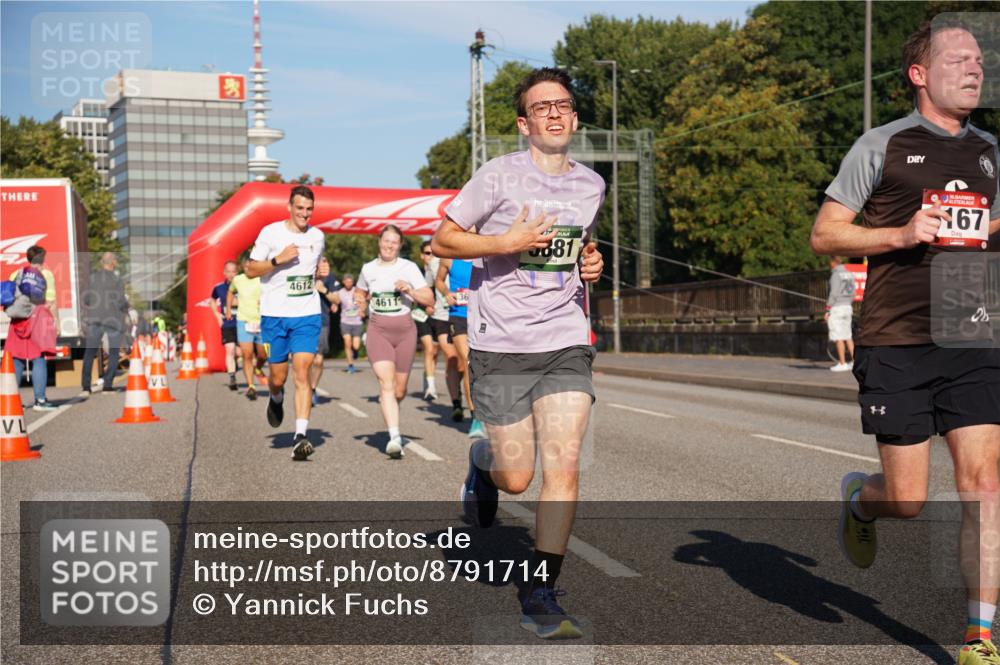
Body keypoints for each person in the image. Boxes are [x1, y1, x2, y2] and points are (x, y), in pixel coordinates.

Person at [810, 21, 1000, 665]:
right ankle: (862, 501)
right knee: (909, 500)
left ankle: (980, 636)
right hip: (897, 336)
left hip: (970, 325)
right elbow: (826, 235)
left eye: (979, 59)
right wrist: (900, 233)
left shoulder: (992, 151)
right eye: (958, 60)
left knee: (984, 484)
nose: (975, 69)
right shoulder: (882, 145)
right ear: (920, 74)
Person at [432, 66, 606, 639]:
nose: (553, 113)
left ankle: (541, 587)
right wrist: (503, 243)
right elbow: (443, 239)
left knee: (563, 464)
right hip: (500, 342)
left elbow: (577, 246)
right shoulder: (497, 176)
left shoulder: (591, 185)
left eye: (562, 105)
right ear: (524, 124)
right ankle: (481, 468)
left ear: (574, 118)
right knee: (516, 476)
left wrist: (590, 262)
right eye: (541, 107)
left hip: (563, 340)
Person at [245, 185, 326, 461]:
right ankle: (276, 396)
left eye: (309, 209)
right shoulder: (271, 233)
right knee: (278, 377)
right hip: (274, 316)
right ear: (290, 207)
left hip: (307, 314)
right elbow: (250, 269)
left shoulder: (318, 236)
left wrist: (322, 273)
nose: (305, 214)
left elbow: (315, 270)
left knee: (302, 371)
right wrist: (279, 259)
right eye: (300, 208)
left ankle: (300, 436)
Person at [355, 224, 435, 459]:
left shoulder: (408, 267)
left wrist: (409, 289)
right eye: (385, 240)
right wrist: (360, 301)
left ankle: (391, 406)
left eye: (394, 242)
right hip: (378, 330)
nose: (389, 245)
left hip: (405, 332)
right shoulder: (368, 269)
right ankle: (394, 437)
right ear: (379, 241)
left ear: (400, 245)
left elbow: (429, 298)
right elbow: (360, 291)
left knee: (399, 390)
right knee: (386, 385)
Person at [6, 245, 58, 410]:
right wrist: (55, 321)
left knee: (16, 359)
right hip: (36, 320)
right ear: (42, 259)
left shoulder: (16, 274)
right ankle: (40, 400)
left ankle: (10, 400)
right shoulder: (46, 275)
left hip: (17, 321)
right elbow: (50, 302)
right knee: (39, 358)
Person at [435, 257, 482, 435]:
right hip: (459, 315)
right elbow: (438, 280)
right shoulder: (449, 258)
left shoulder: (484, 253)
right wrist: (447, 293)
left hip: (483, 315)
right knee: (469, 362)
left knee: (483, 363)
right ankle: (475, 417)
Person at [80, 252, 129, 394]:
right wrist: (127, 307)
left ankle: (86, 386)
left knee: (90, 352)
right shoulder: (118, 280)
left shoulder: (92, 278)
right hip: (113, 320)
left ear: (102, 262)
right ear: (113, 263)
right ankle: (108, 385)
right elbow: (121, 301)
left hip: (95, 319)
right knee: (114, 353)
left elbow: (87, 299)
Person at [414, 240, 451, 401]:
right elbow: (421, 292)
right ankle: (431, 386)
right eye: (428, 253)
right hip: (422, 314)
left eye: (434, 253)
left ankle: (428, 377)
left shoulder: (440, 266)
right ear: (422, 255)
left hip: (440, 314)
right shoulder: (415, 272)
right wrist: (425, 304)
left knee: (436, 351)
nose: (431, 256)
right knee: (430, 349)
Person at [227, 257, 267, 401]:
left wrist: (265, 300)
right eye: (246, 266)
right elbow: (230, 292)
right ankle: (251, 386)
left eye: (252, 266)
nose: (249, 268)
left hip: (262, 322)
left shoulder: (263, 278)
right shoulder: (238, 280)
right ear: (243, 267)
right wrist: (228, 310)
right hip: (243, 320)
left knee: (264, 354)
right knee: (247, 354)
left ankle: (258, 368)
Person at [311, 256, 340, 406]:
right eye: (321, 263)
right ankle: (303, 388)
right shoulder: (304, 275)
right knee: (304, 360)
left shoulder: (329, 279)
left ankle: (312, 388)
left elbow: (336, 299)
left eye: (326, 263)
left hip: (322, 322)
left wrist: (323, 289)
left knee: (318, 359)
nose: (324, 266)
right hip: (302, 322)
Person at [211, 260, 240, 391]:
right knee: (230, 349)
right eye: (228, 271)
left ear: (237, 272)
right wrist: (217, 315)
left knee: (242, 352)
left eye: (233, 271)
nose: (230, 274)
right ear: (224, 272)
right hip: (227, 324)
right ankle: (232, 377)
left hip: (242, 322)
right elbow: (212, 300)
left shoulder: (243, 285)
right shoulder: (218, 288)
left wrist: (235, 302)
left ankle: (236, 362)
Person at [825, 256, 856, 372]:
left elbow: (833, 293)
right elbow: (853, 292)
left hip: (837, 307)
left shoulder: (835, 275)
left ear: (833, 263)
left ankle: (842, 363)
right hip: (848, 306)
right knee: (848, 336)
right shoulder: (849, 274)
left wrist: (828, 309)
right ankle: (854, 362)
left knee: (838, 336)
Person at [330, 273, 363, 374]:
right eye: (347, 281)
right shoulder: (340, 292)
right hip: (345, 321)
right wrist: (334, 306)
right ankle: (350, 365)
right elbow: (336, 302)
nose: (349, 283)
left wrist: (362, 310)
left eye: (350, 282)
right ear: (343, 282)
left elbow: (362, 302)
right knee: (347, 343)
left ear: (353, 282)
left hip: (357, 322)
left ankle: (356, 352)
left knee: (356, 345)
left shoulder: (357, 291)